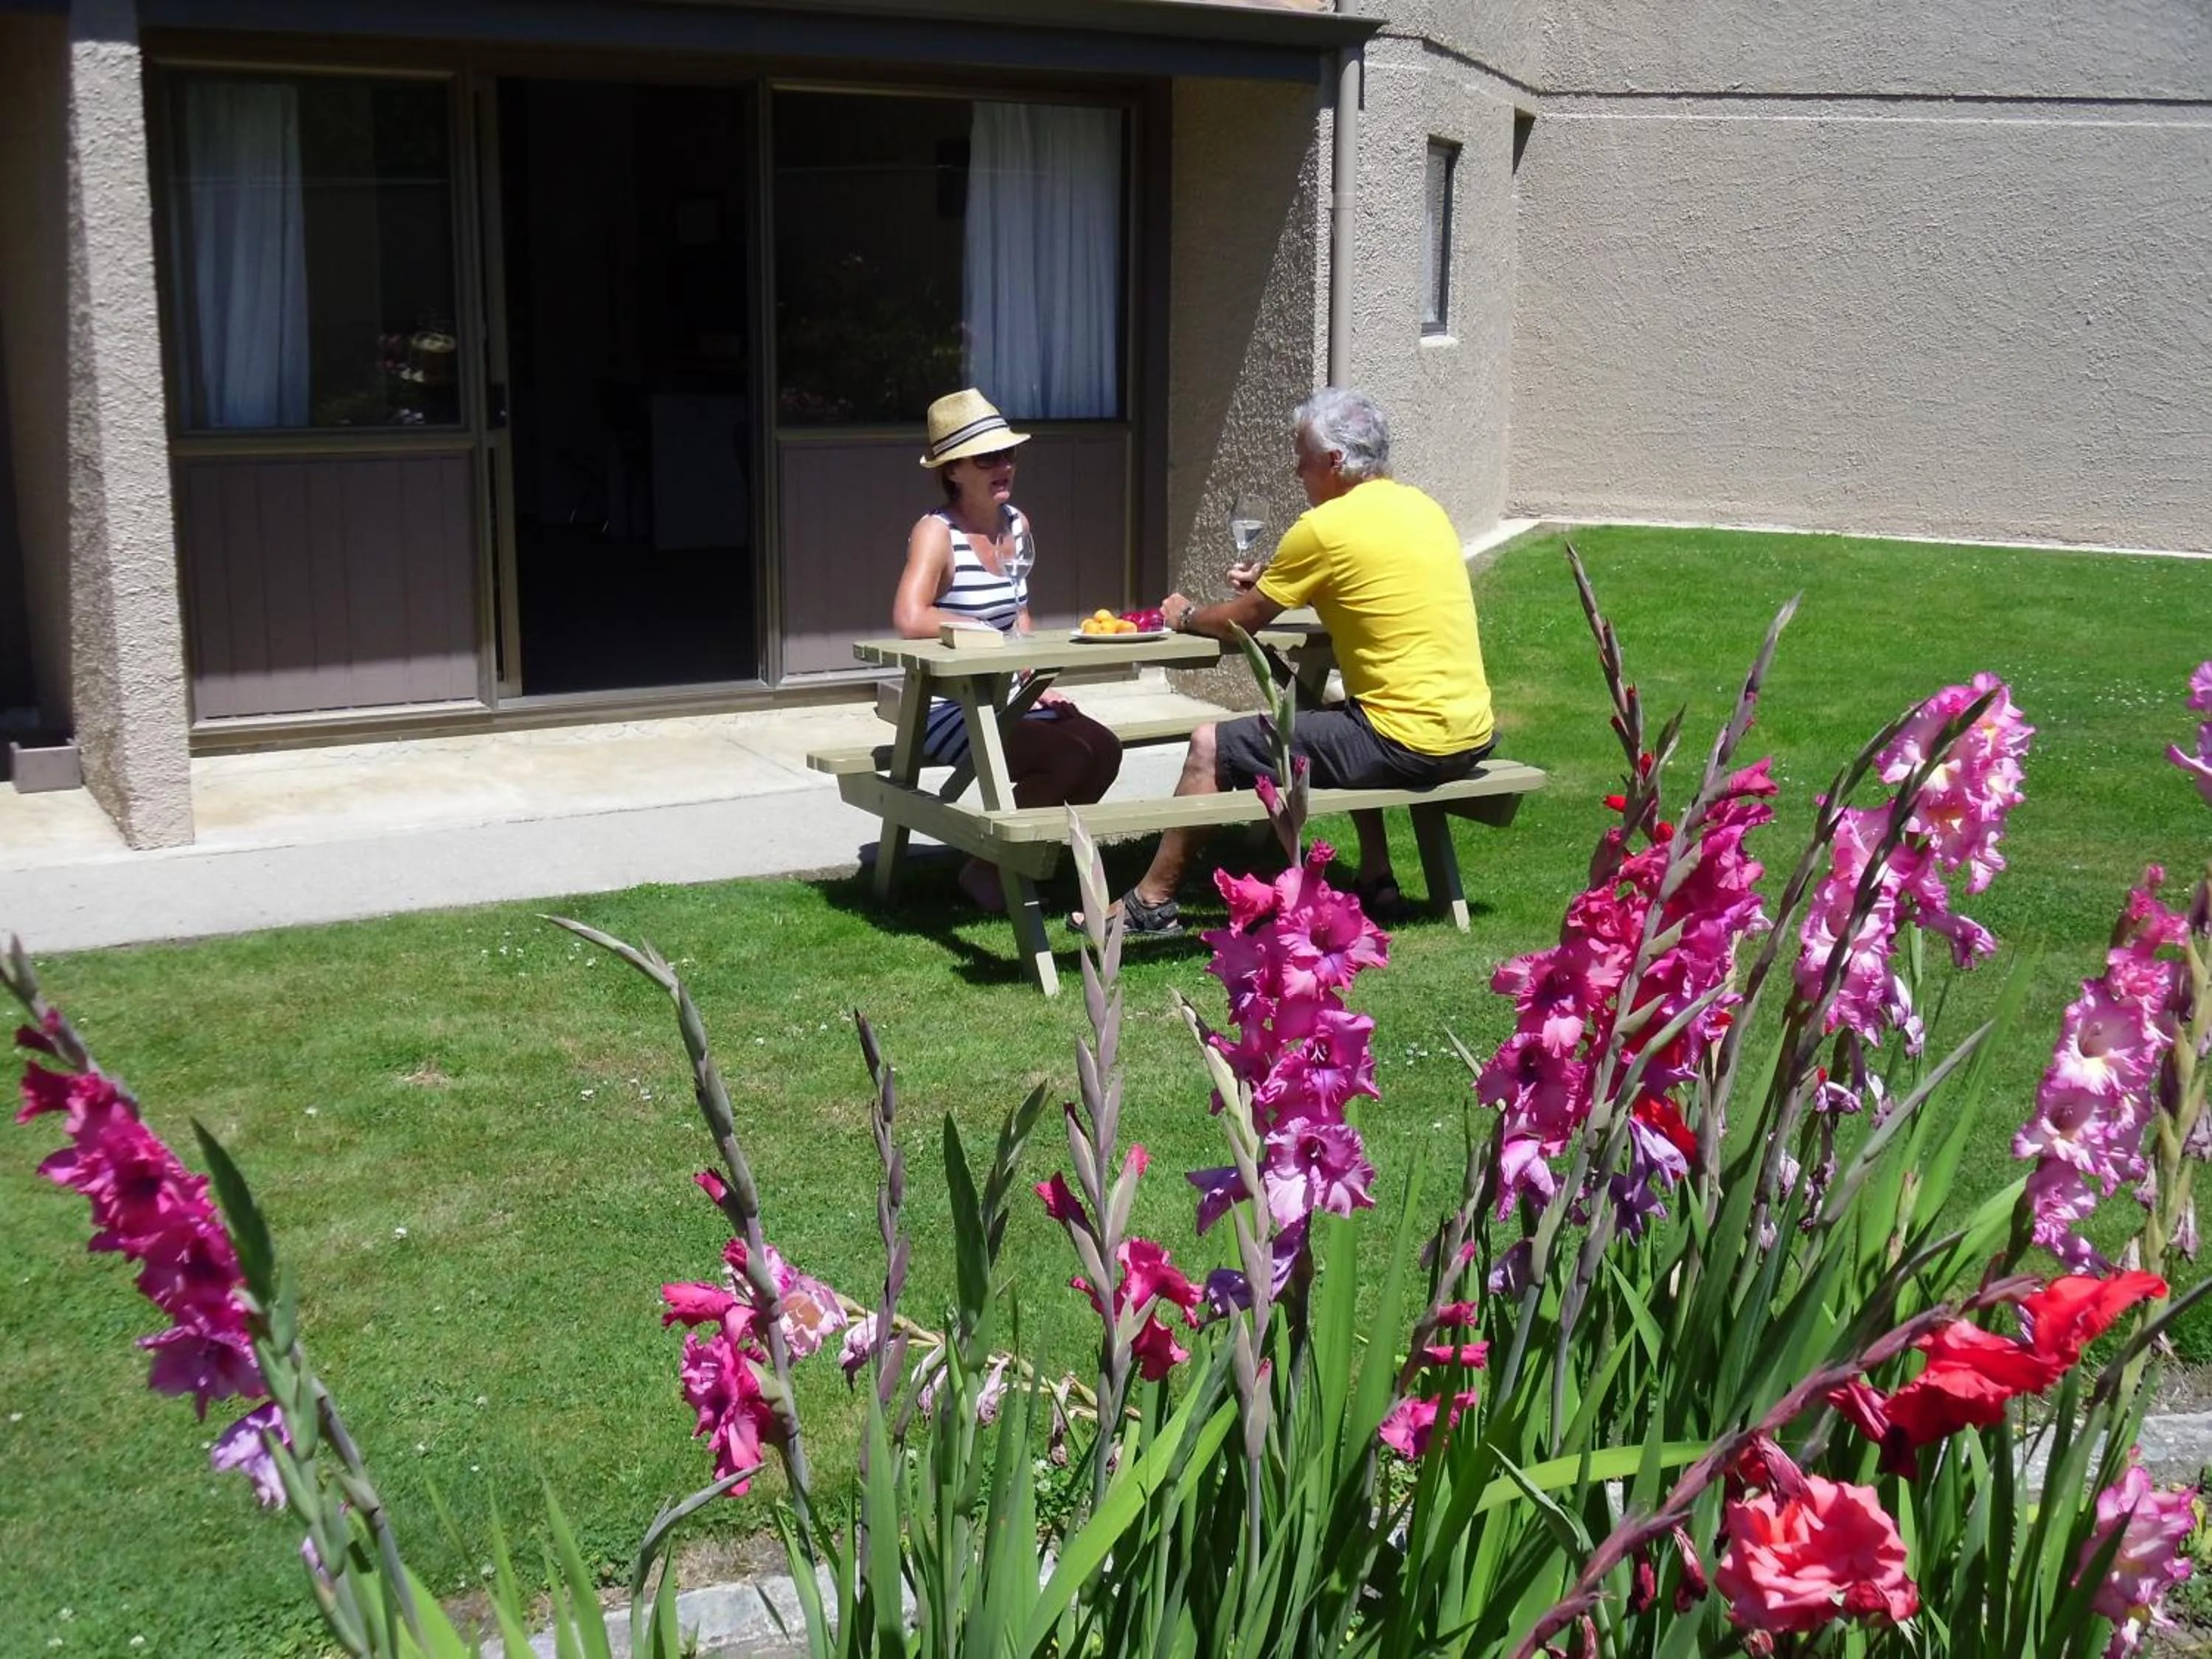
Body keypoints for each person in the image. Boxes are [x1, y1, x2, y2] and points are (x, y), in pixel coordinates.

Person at [1105, 386, 1495, 936]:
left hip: (1407, 744)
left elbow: (1239, 622)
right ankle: (1378, 879)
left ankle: (1151, 903)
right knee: (1336, 709)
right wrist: (1280, 581)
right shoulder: (1424, 508)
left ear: (1335, 462)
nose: (1296, 471)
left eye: (1302, 458)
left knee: (1208, 743)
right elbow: (1364, 582)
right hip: (1469, 733)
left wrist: (1185, 612)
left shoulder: (1324, 527)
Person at [893, 388, 1123, 913]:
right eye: (987, 458)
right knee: (1070, 755)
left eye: (1008, 454)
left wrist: (1032, 675)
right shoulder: (936, 532)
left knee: (1105, 750)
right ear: (953, 470)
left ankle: (1008, 859)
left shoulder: (1016, 524)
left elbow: (1019, 611)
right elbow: (910, 618)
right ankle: (993, 867)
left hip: (1007, 691)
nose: (1004, 466)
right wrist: (981, 631)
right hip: (949, 703)